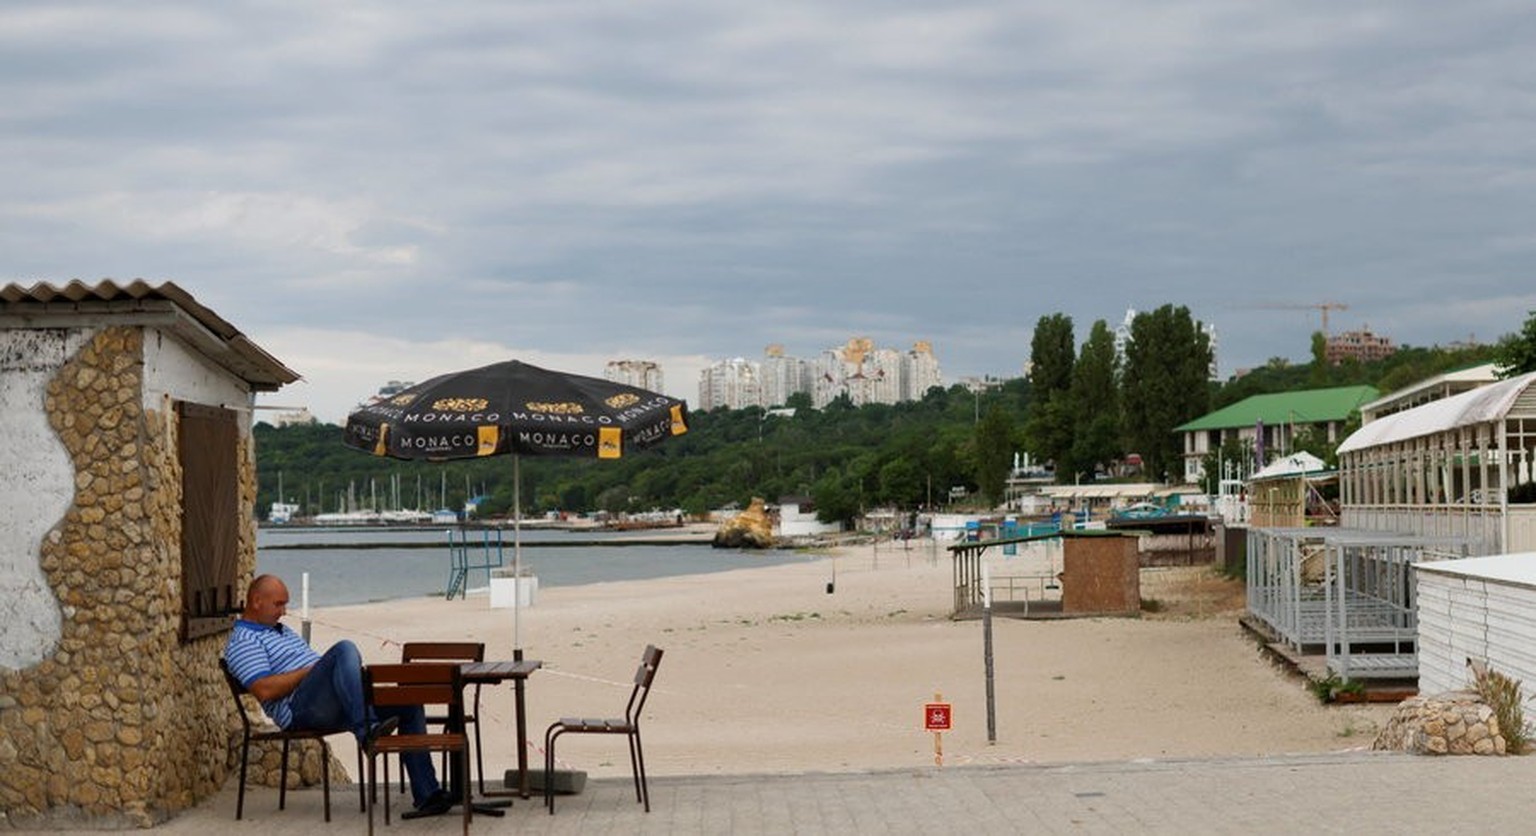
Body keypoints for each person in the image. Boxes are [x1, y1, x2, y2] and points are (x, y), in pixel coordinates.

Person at [224, 574, 454, 817]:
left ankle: (428, 794)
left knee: (408, 704)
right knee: (344, 648)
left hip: (333, 703)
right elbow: (264, 690)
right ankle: (366, 731)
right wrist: (312, 670)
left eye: (285, 604)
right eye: (278, 604)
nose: (284, 612)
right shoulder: (244, 641)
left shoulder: (281, 630)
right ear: (257, 601)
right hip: (299, 710)